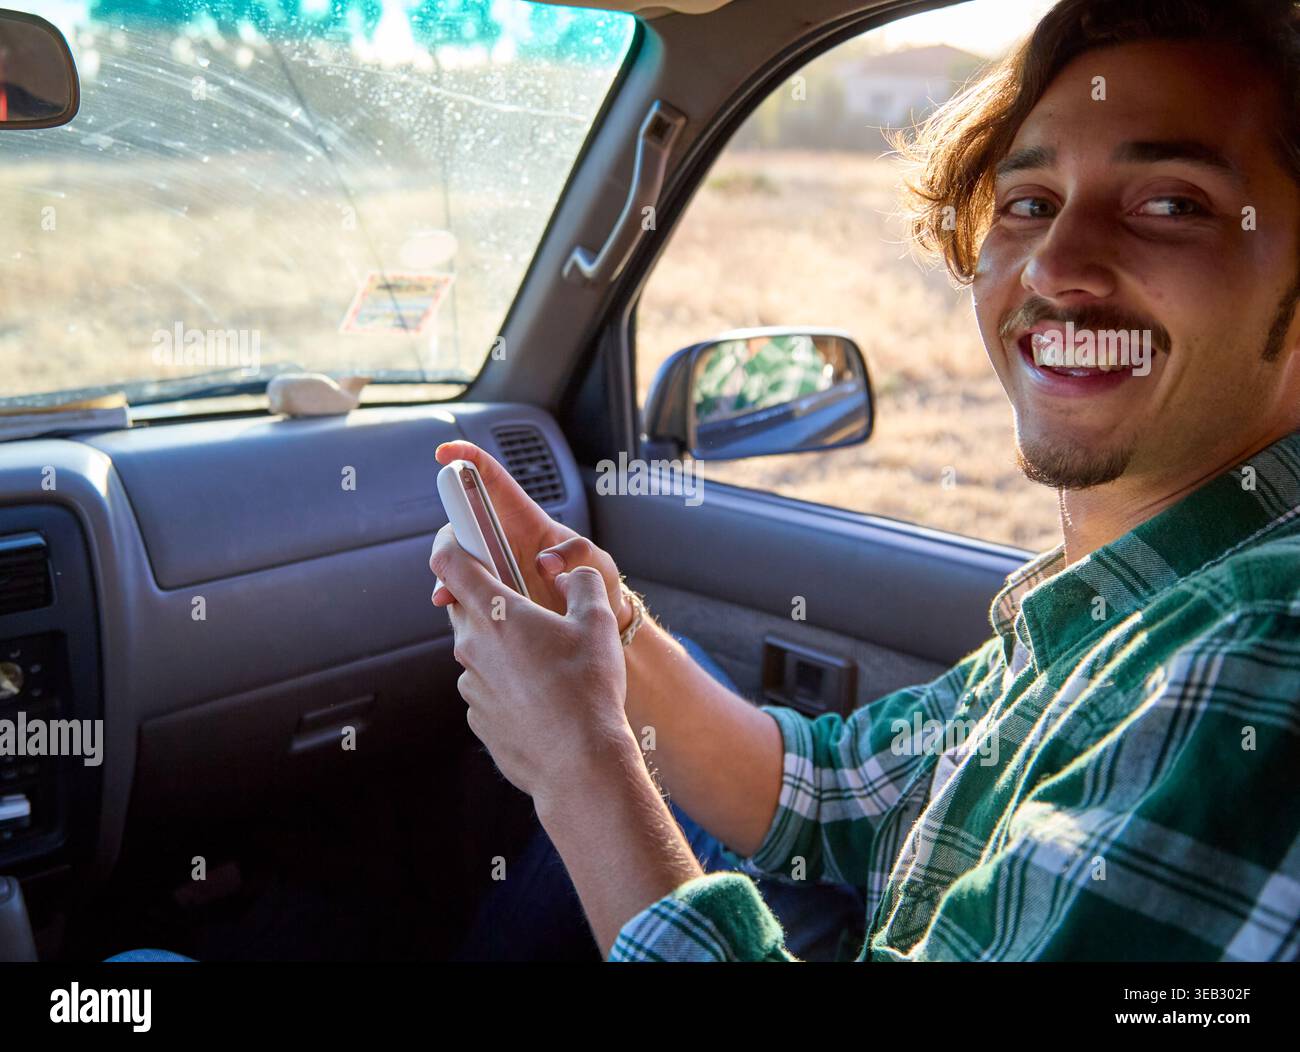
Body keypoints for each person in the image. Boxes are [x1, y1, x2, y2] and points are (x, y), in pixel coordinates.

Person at [430, 0, 1300, 962]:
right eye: (1028, 203)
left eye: (1171, 205)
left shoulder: (1263, 642)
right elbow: (831, 792)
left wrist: (578, 766)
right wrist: (610, 629)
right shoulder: (1114, 598)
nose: (1057, 265)